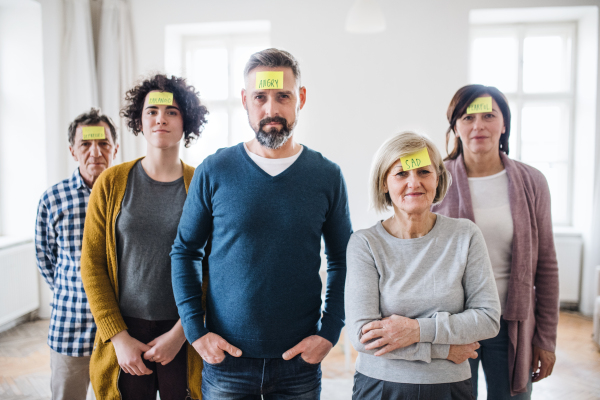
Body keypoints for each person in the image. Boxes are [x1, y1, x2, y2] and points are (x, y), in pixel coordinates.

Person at [170, 48, 353, 399]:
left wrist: (330, 332)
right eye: (260, 97)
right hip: (227, 363)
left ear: (300, 98)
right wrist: (195, 331)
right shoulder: (215, 170)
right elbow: (184, 251)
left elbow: (343, 260)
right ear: (245, 100)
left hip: (298, 362)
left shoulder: (326, 176)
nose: (271, 110)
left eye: (283, 96)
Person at [80, 74, 209, 400]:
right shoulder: (110, 182)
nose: (160, 118)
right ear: (139, 119)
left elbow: (214, 268)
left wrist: (181, 334)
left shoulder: (201, 184)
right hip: (126, 334)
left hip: (183, 331)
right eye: (152, 111)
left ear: (187, 121)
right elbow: (92, 265)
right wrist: (118, 338)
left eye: (172, 112)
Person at [345, 131, 501, 400]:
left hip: (451, 387)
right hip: (380, 386)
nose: (413, 182)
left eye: (423, 172)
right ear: (384, 183)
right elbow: (363, 336)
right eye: (401, 174)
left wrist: (415, 331)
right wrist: (442, 349)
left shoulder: (465, 235)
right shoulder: (364, 243)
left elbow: (487, 319)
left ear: (437, 178)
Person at [432, 84, 559, 399]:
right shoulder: (434, 181)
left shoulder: (532, 182)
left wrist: (546, 337)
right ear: (455, 126)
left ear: (504, 124)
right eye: (467, 117)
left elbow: (547, 265)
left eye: (489, 115)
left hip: (511, 323)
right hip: (455, 325)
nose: (478, 126)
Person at [35, 107, 118, 399]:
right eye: (85, 144)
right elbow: (45, 259)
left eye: (103, 143)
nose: (95, 152)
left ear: (115, 148)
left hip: (120, 331)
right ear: (72, 150)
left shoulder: (127, 194)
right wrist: (69, 292)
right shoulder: (52, 199)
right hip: (69, 327)